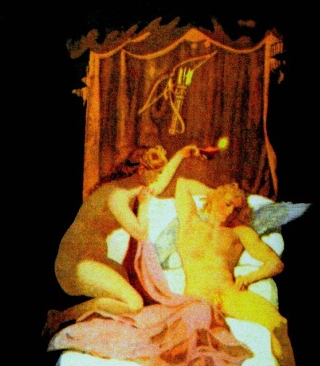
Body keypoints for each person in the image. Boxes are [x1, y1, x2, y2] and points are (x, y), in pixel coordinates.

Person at [173, 176, 320, 366]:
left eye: (236, 208)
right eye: (227, 204)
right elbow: (182, 184)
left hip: (229, 294)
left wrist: (249, 277)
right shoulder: (190, 221)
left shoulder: (240, 232)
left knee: (279, 323)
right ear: (215, 199)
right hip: (197, 297)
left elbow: (275, 263)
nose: (230, 212)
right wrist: (216, 193)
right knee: (195, 350)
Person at [42, 143, 202, 336]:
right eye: (156, 173)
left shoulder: (133, 186)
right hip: (75, 264)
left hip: (94, 258)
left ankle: (87, 319)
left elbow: (159, 185)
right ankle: (60, 317)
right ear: (142, 171)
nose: (158, 178)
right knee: (133, 304)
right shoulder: (117, 196)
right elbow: (140, 233)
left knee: (126, 288)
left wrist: (181, 154)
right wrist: (144, 206)